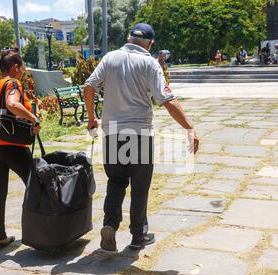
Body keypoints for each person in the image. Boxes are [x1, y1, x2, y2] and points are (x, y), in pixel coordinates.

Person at [83, 23, 200, 252]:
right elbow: (167, 100)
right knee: (139, 186)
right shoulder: (149, 63)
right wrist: (190, 128)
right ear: (150, 43)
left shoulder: (110, 58)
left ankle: (109, 226)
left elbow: (89, 86)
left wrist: (91, 118)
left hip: (113, 132)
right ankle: (138, 236)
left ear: (128, 38)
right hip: (139, 135)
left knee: (116, 182)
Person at [0, 47, 41, 250]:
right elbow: (12, 104)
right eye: (22, 67)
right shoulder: (13, 83)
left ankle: (1, 237)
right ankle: (42, 233)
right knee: (35, 185)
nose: (23, 71)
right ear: (15, 67)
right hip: (11, 145)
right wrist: (33, 118)